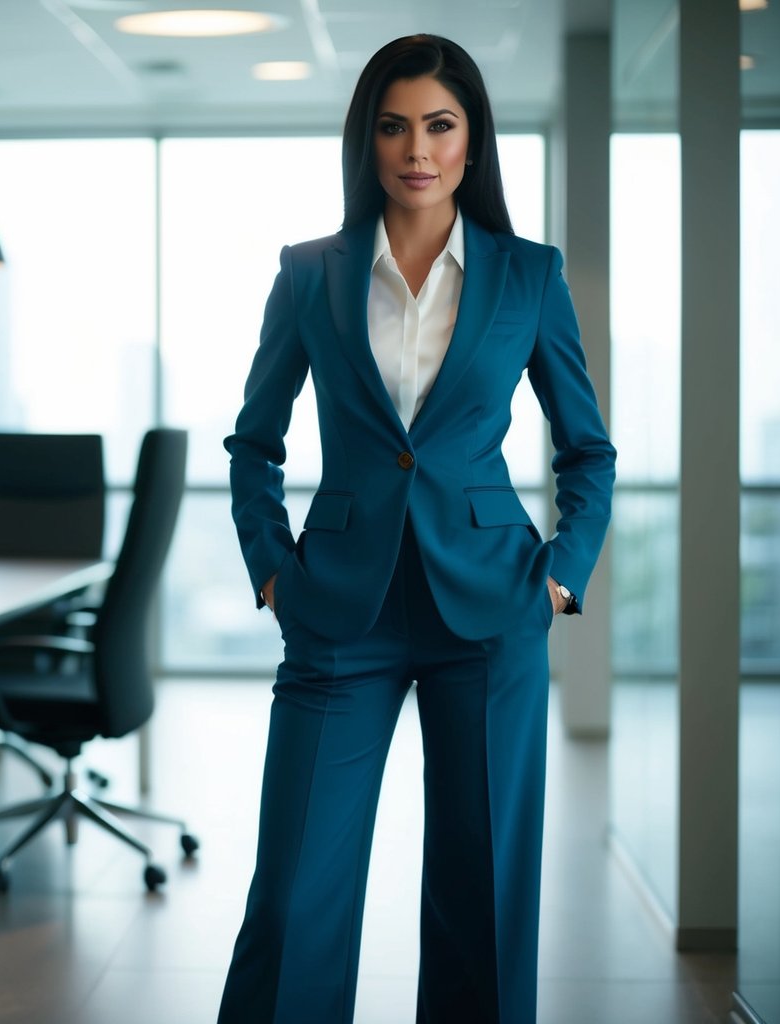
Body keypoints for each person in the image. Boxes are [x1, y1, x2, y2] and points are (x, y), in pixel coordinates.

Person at [218, 33, 616, 1024]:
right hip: (337, 611)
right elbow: (252, 444)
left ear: (470, 142)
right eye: (392, 126)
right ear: (366, 141)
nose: (416, 148)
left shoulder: (528, 275)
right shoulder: (309, 272)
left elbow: (587, 451)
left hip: (489, 609)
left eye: (438, 125)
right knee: (295, 886)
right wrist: (272, 571)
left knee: (483, 892)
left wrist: (562, 574)